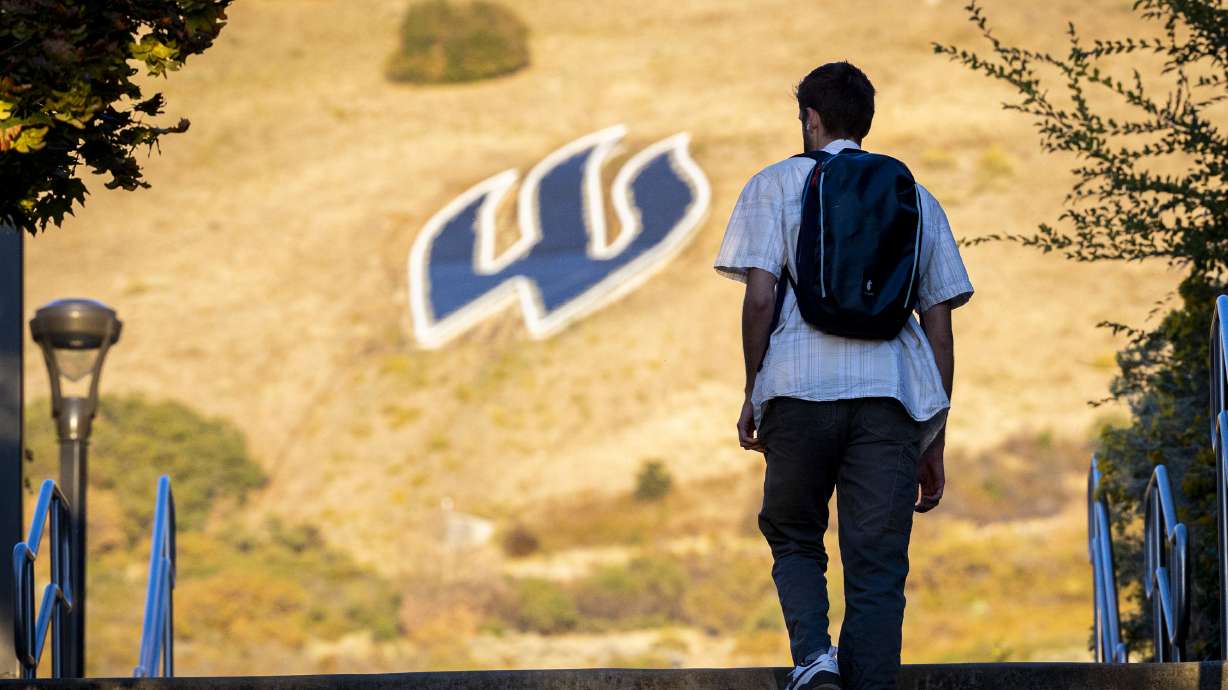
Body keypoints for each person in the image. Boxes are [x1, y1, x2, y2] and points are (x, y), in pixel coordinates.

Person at [713, 61, 974, 690]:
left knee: (795, 529)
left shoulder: (773, 186)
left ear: (810, 117)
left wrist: (753, 390)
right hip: (891, 399)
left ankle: (815, 662)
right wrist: (932, 435)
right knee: (877, 566)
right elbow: (938, 325)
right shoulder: (912, 194)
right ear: (867, 121)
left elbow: (758, 299)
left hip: (797, 391)